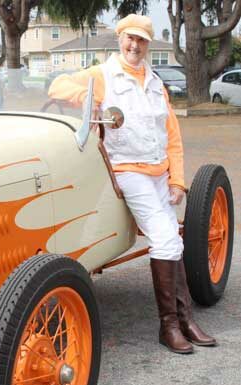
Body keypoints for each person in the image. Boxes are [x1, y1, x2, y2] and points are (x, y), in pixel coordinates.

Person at [49, 14, 216, 354]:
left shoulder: (156, 84)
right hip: (127, 171)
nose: (135, 46)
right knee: (167, 239)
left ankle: (183, 320)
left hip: (158, 174)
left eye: (141, 41)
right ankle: (168, 325)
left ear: (148, 45)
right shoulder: (103, 75)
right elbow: (57, 86)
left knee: (174, 243)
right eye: (130, 39)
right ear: (120, 38)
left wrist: (179, 181)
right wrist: (88, 99)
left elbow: (172, 137)